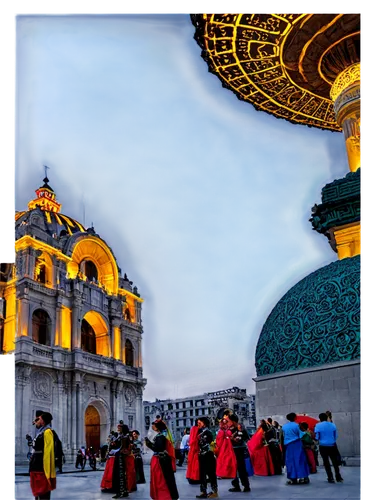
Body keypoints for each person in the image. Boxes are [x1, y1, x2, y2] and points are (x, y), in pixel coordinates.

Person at [145, 419, 179, 500]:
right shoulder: (163, 435)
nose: (152, 426)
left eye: (154, 425)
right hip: (162, 460)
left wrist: (148, 443)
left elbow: (158, 448)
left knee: (161, 479)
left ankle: (163, 496)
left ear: (157, 427)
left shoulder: (160, 436)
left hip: (160, 461)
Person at [29, 411, 58, 500]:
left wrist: (47, 468)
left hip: (40, 465)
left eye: (39, 419)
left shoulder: (47, 432)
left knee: (43, 490)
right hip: (35, 463)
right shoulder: (40, 432)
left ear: (43, 421)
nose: (37, 420)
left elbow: (48, 451)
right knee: (37, 490)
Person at [315, 413, 344, 484]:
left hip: (323, 446)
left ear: (320, 418)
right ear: (327, 417)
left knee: (326, 462)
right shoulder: (332, 425)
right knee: (334, 461)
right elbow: (335, 436)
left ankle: (330, 477)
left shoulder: (318, 425)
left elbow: (317, 437)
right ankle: (338, 476)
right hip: (332, 445)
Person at [282, 413, 310, 485]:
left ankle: (292, 477)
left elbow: (282, 436)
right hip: (297, 443)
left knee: (290, 461)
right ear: (295, 418)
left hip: (288, 445)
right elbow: (301, 434)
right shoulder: (297, 425)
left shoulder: (284, 427)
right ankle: (302, 477)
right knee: (300, 460)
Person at [226, 413, 251, 493]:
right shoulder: (229, 428)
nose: (227, 422)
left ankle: (246, 486)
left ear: (233, 421)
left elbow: (245, 438)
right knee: (233, 468)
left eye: (228, 421)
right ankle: (236, 485)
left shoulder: (240, 428)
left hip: (239, 450)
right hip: (232, 450)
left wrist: (235, 438)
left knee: (241, 468)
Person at [196, 417, 218, 499]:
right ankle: (203, 491)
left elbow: (208, 443)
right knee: (202, 474)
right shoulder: (199, 432)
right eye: (197, 423)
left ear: (204, 423)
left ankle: (214, 491)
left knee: (211, 474)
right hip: (201, 455)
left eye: (199, 423)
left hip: (209, 455)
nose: (198, 425)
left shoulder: (208, 432)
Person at [111, 423, 132, 499]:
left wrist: (120, 451)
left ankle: (121, 491)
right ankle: (122, 491)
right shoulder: (120, 436)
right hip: (118, 455)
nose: (118, 429)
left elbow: (126, 447)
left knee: (120, 474)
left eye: (120, 428)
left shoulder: (125, 437)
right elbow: (115, 445)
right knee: (119, 474)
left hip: (121, 456)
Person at [186, 419, 200, 485]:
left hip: (192, 449)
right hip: (196, 449)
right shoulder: (197, 429)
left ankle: (191, 477)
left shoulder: (193, 429)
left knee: (192, 464)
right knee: (196, 465)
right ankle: (196, 478)